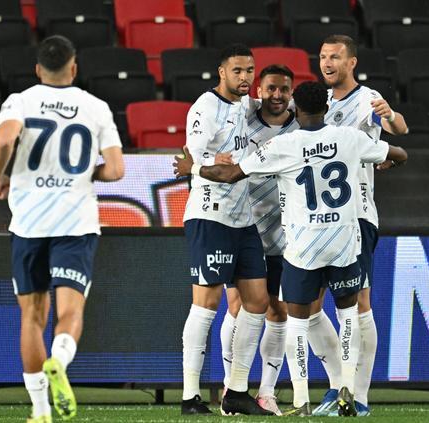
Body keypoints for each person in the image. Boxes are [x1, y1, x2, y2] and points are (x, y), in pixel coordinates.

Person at [174, 81, 408, 417]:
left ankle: (300, 400)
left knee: (296, 322)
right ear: (326, 108)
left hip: (303, 249)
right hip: (343, 243)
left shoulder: (284, 145)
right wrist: (382, 163)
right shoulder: (350, 138)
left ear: (296, 110)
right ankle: (348, 389)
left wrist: (193, 168)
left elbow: (232, 174)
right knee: (348, 316)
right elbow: (400, 153)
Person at [0, 35, 124, 423]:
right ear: (74, 67)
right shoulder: (96, 107)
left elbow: (4, 139)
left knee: (32, 316)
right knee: (70, 310)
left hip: (29, 224)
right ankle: (60, 361)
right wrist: (87, 173)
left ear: (38, 69)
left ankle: (40, 410)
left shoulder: (20, 101)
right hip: (75, 223)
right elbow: (117, 169)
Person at [313, 34, 410, 417]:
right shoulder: (316, 102)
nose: (327, 63)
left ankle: (360, 395)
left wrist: (390, 115)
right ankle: (338, 385)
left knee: (359, 303)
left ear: (351, 62)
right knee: (307, 305)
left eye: (335, 57)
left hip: (356, 216)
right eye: (323, 56)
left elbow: (399, 129)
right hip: (314, 219)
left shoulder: (367, 98)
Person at [179, 43, 272, 417]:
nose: (245, 77)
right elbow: (192, 158)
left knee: (258, 301)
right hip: (210, 215)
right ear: (221, 72)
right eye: (237, 70)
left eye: (250, 70)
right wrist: (205, 164)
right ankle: (190, 396)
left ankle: (236, 390)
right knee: (206, 303)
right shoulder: (205, 107)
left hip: (243, 218)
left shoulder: (246, 105)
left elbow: (276, 106)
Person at [216, 64, 304, 416]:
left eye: (284, 89)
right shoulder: (243, 116)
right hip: (243, 227)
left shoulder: (302, 125)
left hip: (284, 234)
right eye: (271, 89)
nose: (277, 95)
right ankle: (231, 386)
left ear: (291, 92)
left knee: (278, 311)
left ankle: (267, 392)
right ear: (259, 90)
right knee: (237, 306)